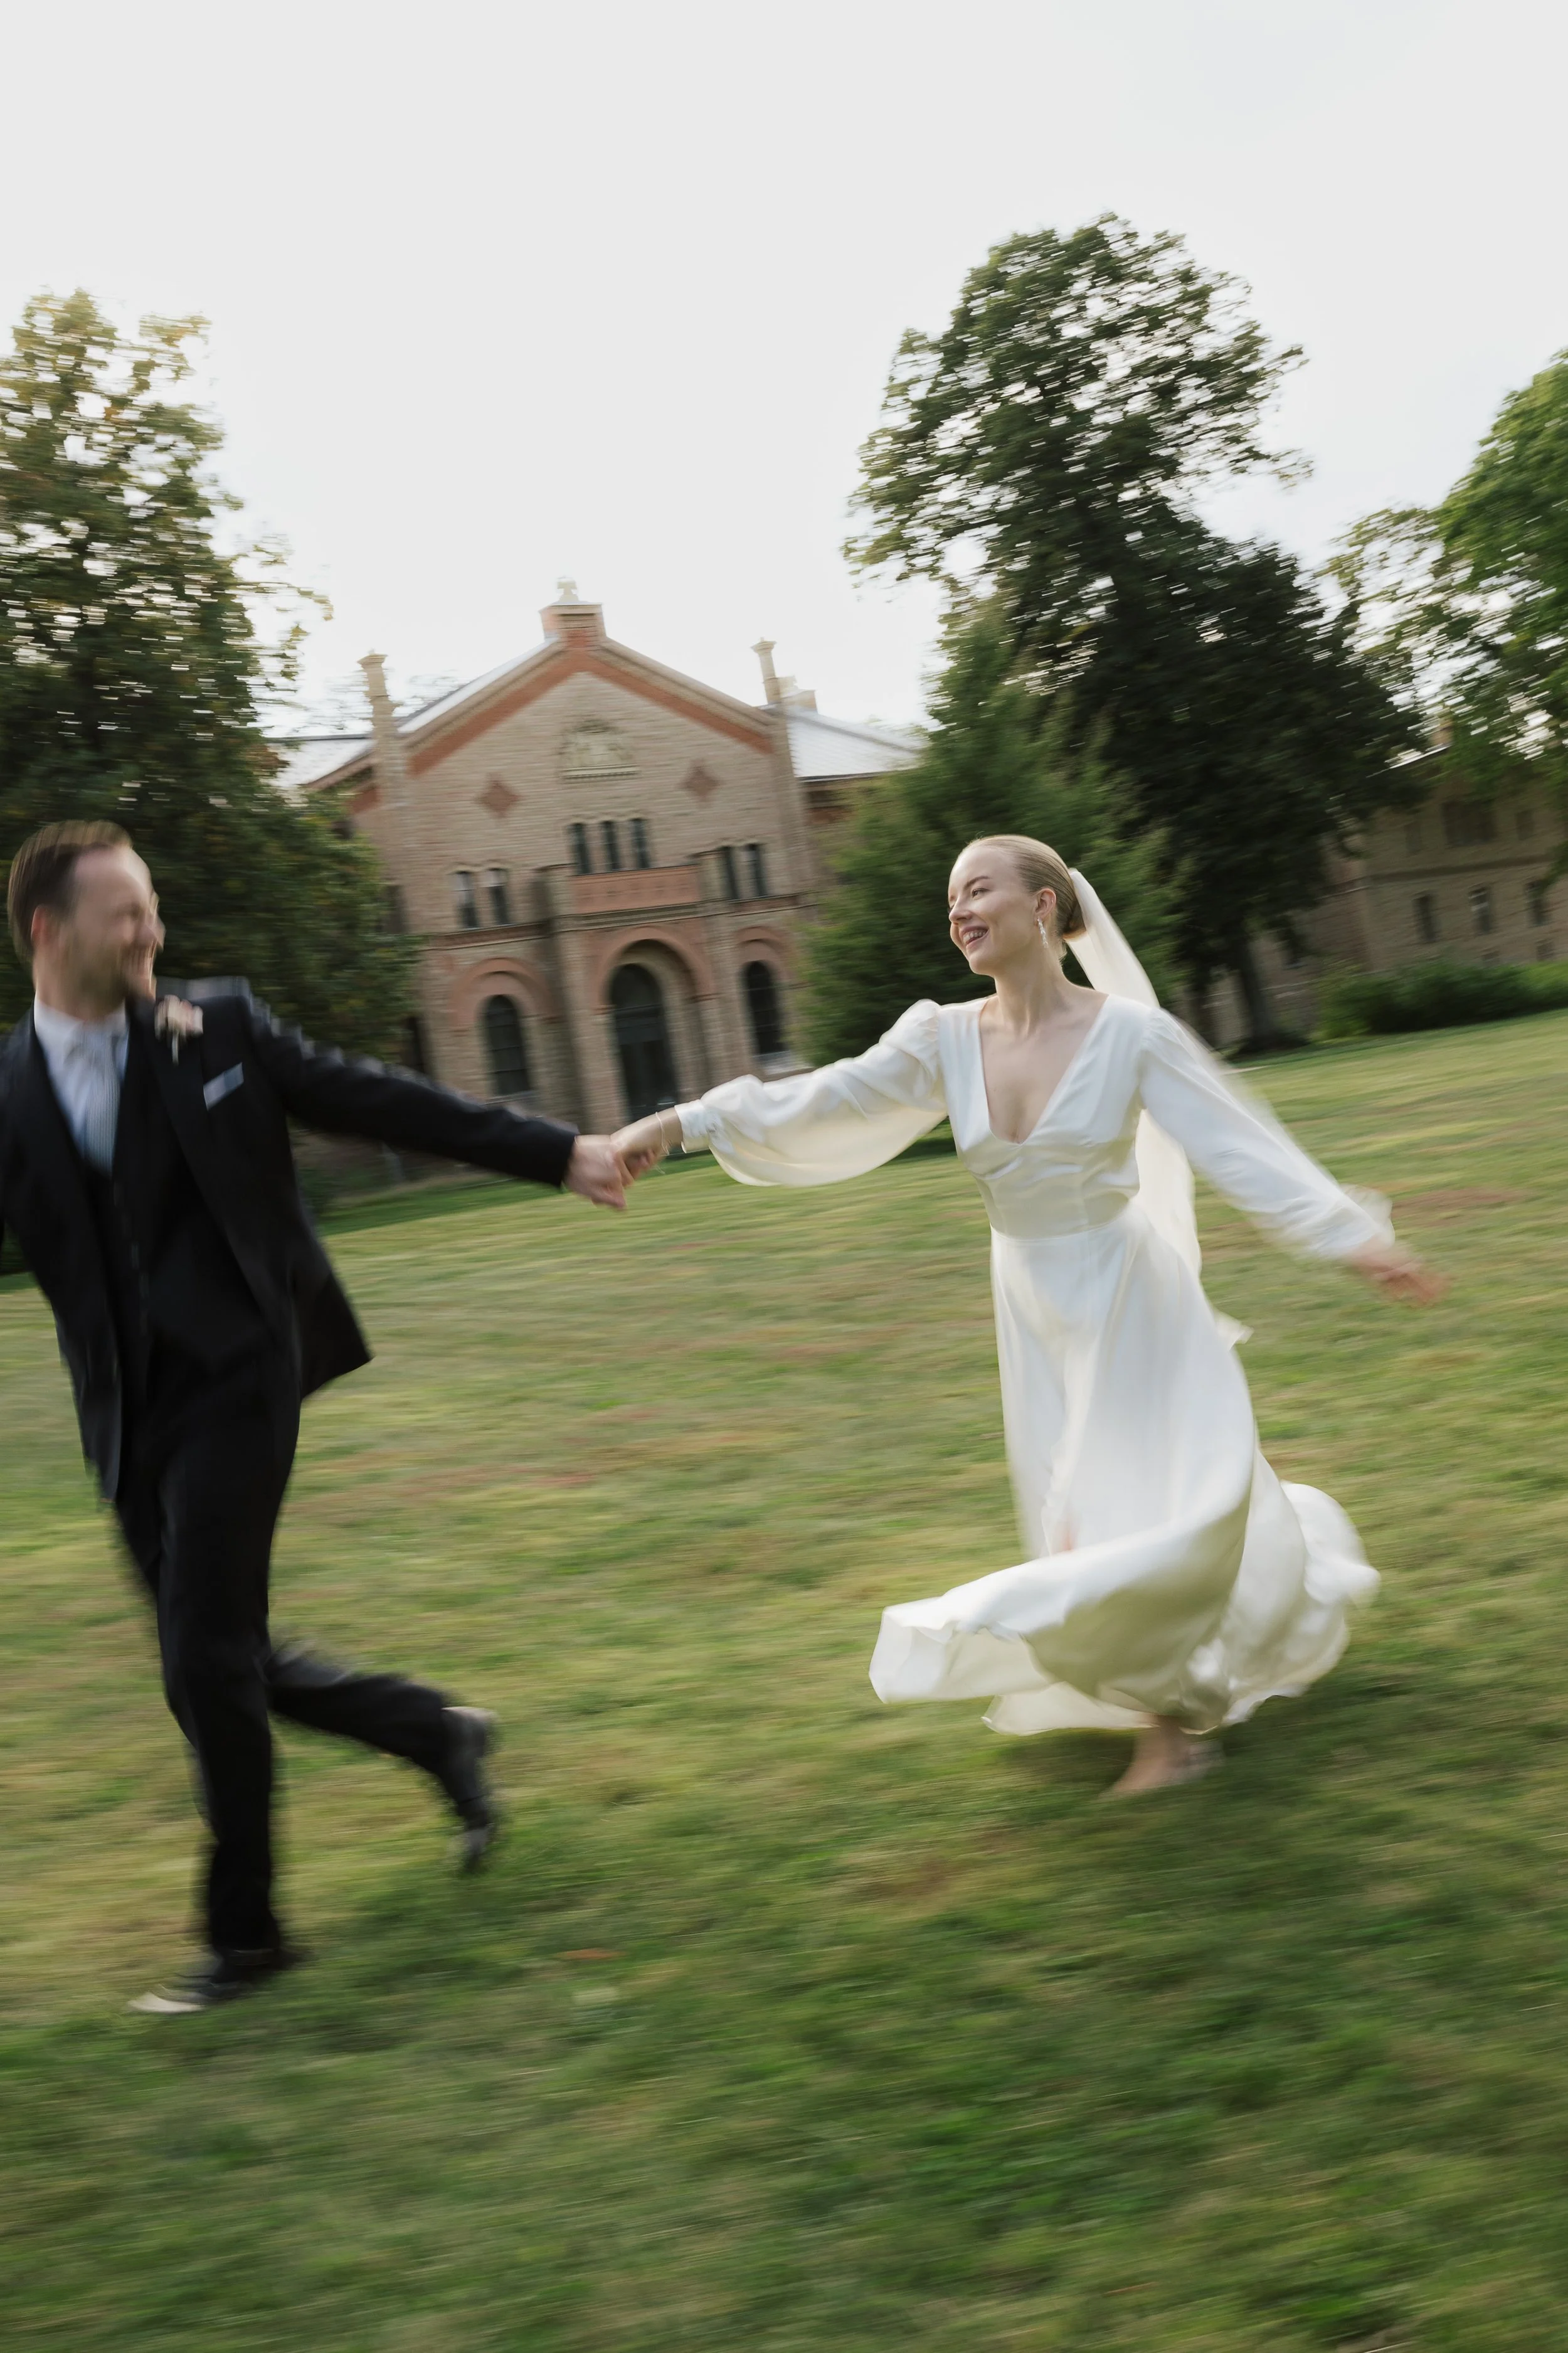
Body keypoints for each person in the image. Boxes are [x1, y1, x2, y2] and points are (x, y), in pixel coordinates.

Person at [615, 836, 1442, 1796]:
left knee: (1148, 1507)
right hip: (1032, 1309)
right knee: (1077, 1518)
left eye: (978, 889)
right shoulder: (941, 1038)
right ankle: (1168, 1685)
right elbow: (822, 1096)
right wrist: (679, 1123)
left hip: (1131, 1302)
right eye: (951, 899)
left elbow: (1238, 1144)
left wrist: (1354, 1239)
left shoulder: (1132, 1035)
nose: (959, 910)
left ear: (1044, 907)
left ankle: (1173, 1733)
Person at [0, 822, 631, 2012]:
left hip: (241, 1375)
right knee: (220, 1669)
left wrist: (561, 1153)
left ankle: (247, 1939)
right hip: (124, 1413)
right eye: (127, 913)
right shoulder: (9, 1087)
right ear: (50, 932)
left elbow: (381, 1099)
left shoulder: (217, 1028)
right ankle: (436, 1732)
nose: (153, 932)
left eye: (153, 907)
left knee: (204, 1655)